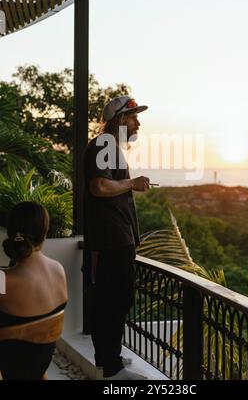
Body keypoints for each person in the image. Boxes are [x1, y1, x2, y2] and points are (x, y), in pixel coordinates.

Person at [83, 96, 150, 380]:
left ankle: (108, 358)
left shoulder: (108, 146)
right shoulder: (105, 144)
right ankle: (112, 369)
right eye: (133, 117)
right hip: (112, 239)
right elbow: (99, 186)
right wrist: (133, 183)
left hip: (113, 238)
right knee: (116, 300)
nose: (138, 122)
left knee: (111, 300)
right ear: (121, 120)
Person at [0, 201, 68, 380]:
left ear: (11, 233)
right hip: (38, 368)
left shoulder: (3, 280)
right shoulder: (58, 270)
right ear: (44, 234)